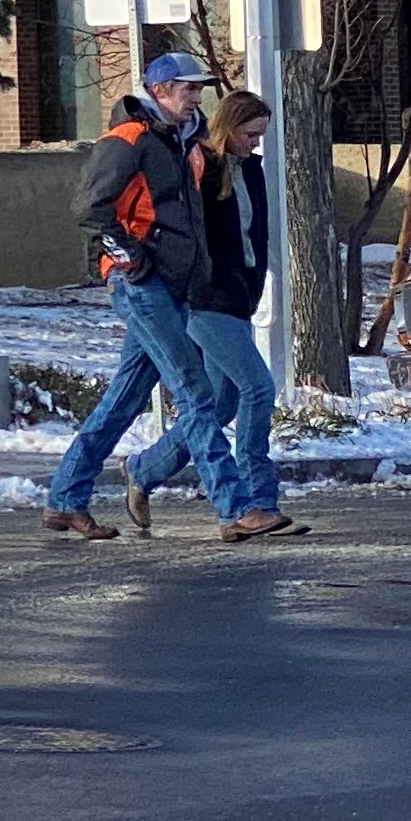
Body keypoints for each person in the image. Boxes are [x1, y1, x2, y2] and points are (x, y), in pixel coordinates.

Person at [46, 55, 260, 542]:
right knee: (195, 392)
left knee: (124, 399)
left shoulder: (179, 140)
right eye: (190, 90)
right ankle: (236, 510)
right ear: (161, 89)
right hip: (141, 286)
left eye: (199, 91)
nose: (198, 99)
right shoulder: (128, 141)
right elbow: (90, 210)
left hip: (171, 286)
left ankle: (65, 500)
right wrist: (133, 261)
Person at [126, 91, 298, 540]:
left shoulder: (250, 170)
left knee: (219, 406)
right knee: (258, 388)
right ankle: (260, 501)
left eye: (261, 135)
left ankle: (143, 470)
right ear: (229, 126)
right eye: (250, 133)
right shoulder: (202, 166)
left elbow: (251, 238)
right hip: (204, 298)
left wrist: (253, 286)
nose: (256, 143)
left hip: (238, 298)